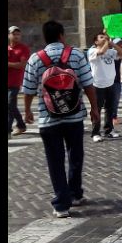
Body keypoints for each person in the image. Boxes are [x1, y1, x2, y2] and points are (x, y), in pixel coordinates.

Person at [22, 20, 99, 218]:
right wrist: (94, 109)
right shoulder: (75, 54)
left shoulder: (35, 58)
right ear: (62, 35)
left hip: (48, 120)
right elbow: (88, 83)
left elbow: (29, 89)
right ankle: (75, 194)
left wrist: (28, 111)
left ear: (45, 37)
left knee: (55, 161)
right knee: (75, 155)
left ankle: (61, 204)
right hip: (74, 116)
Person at [87, 32, 119, 142]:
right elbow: (101, 52)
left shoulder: (110, 51)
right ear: (96, 42)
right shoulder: (92, 51)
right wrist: (106, 41)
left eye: (104, 36)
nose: (104, 38)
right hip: (97, 85)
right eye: (101, 37)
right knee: (97, 109)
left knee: (110, 108)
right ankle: (95, 132)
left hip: (110, 83)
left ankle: (109, 130)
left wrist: (113, 44)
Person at [8, 26, 30, 138]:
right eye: (14, 34)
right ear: (9, 35)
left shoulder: (23, 48)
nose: (16, 36)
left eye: (18, 34)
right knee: (11, 105)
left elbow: (22, 64)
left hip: (15, 82)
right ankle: (21, 125)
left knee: (10, 104)